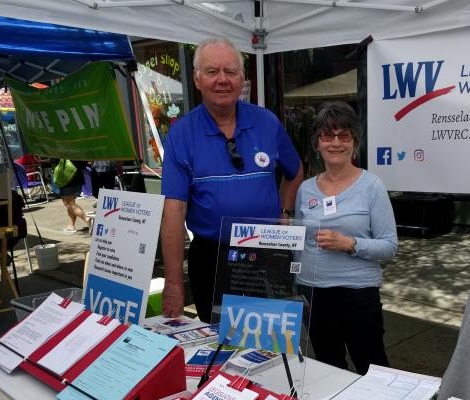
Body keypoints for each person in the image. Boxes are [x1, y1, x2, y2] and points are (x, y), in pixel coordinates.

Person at [160, 37, 304, 321]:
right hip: (212, 258)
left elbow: (295, 171)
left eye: (230, 72)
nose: (222, 80)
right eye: (212, 72)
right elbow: (173, 215)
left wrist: (285, 211)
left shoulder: (267, 122)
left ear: (242, 78)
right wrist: (174, 283)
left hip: (267, 252)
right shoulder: (181, 134)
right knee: (218, 346)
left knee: (273, 341)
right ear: (197, 79)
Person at [295, 102, 397, 374]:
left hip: (358, 293)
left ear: (355, 142)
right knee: (328, 368)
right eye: (328, 136)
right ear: (318, 143)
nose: (336, 143)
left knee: (372, 367)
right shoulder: (305, 189)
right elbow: (300, 242)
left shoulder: (372, 186)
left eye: (344, 136)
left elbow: (389, 246)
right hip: (314, 292)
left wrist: (349, 244)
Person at [56, 159, 91, 233]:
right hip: (73, 177)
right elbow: (83, 164)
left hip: (67, 177)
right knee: (69, 204)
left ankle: (87, 219)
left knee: (70, 204)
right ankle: (71, 225)